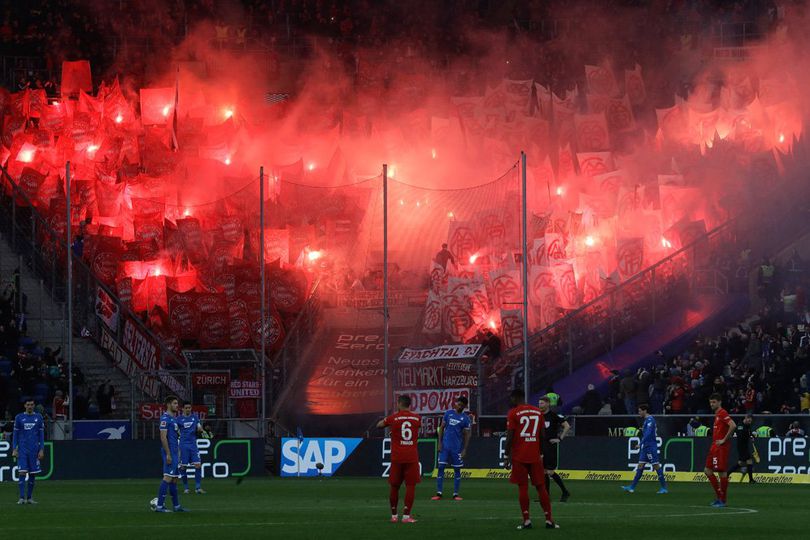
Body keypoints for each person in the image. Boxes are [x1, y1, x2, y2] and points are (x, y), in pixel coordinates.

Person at [504, 388, 558, 530]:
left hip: (519, 456)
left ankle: (527, 521)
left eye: (512, 399)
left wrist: (506, 455)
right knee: (541, 487)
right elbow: (542, 435)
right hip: (535, 456)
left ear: (515, 398)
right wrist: (540, 453)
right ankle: (548, 520)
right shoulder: (537, 412)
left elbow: (509, 437)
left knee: (523, 487)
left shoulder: (513, 413)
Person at [377, 395, 421, 523]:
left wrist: (390, 427)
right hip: (411, 457)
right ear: (409, 405)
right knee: (410, 486)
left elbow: (379, 425)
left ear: (399, 404)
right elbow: (416, 429)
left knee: (394, 486)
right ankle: (406, 516)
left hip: (397, 457)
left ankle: (394, 516)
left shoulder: (393, 418)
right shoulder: (417, 418)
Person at [432, 396, 471, 501]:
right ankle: (439, 493)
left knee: (457, 470)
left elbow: (467, 434)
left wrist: (464, 449)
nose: (459, 407)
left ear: (465, 406)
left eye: (462, 406)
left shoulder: (466, 418)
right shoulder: (448, 413)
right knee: (440, 468)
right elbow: (441, 428)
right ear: (456, 403)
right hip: (445, 446)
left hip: (456, 448)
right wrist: (439, 443)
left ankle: (455, 494)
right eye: (458, 404)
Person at [622, 404, 668, 494]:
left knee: (656, 466)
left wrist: (640, 443)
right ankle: (632, 487)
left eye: (640, 411)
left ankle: (664, 488)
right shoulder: (646, 420)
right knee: (640, 466)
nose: (639, 413)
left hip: (650, 447)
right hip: (645, 448)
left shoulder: (650, 420)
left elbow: (648, 434)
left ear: (645, 411)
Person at [154, 395, 187, 513]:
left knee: (174, 479)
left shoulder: (174, 419)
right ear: (168, 404)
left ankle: (177, 506)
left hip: (174, 452)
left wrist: (177, 453)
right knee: (167, 477)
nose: (177, 406)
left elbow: (175, 437)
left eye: (177, 403)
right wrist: (168, 454)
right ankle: (159, 506)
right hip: (169, 452)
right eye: (174, 403)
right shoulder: (165, 418)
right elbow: (163, 437)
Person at [704, 393, 736, 508]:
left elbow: (733, 425)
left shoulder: (722, 413)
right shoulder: (717, 414)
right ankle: (719, 496)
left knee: (721, 472)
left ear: (719, 402)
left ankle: (722, 500)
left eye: (714, 402)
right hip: (714, 446)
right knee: (707, 470)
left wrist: (723, 440)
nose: (712, 404)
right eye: (711, 402)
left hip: (720, 447)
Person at [538, 395, 571, 502]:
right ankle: (546, 496)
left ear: (548, 404)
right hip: (540, 446)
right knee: (543, 471)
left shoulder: (554, 415)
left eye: (542, 403)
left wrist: (560, 439)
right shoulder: (538, 416)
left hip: (550, 446)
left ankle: (565, 491)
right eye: (539, 403)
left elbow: (567, 426)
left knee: (550, 472)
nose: (540, 405)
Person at [12, 398, 44, 504]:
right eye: (28, 404)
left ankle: (29, 498)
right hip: (22, 449)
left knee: (32, 474)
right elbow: (15, 434)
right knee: (22, 472)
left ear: (34, 405)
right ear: (25, 406)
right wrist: (14, 448)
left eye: (31, 404)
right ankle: (21, 498)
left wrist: (41, 449)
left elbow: (41, 435)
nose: (30, 406)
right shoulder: (19, 417)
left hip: (34, 450)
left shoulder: (38, 417)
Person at [178, 402, 206, 495]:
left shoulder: (195, 418)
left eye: (189, 408)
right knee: (183, 467)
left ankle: (198, 488)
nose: (188, 409)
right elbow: (175, 430)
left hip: (193, 445)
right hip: (183, 445)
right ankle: (186, 488)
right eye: (186, 408)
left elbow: (199, 427)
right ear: (182, 409)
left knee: (198, 465)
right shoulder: (179, 419)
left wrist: (201, 429)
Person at [728, 414, 756, 483]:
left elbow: (749, 433)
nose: (750, 422)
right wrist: (749, 437)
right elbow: (741, 437)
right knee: (749, 461)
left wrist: (752, 436)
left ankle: (727, 474)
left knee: (740, 463)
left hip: (745, 446)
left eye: (750, 421)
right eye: (749, 420)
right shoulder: (740, 426)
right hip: (742, 447)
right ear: (746, 418)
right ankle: (751, 480)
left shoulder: (747, 425)